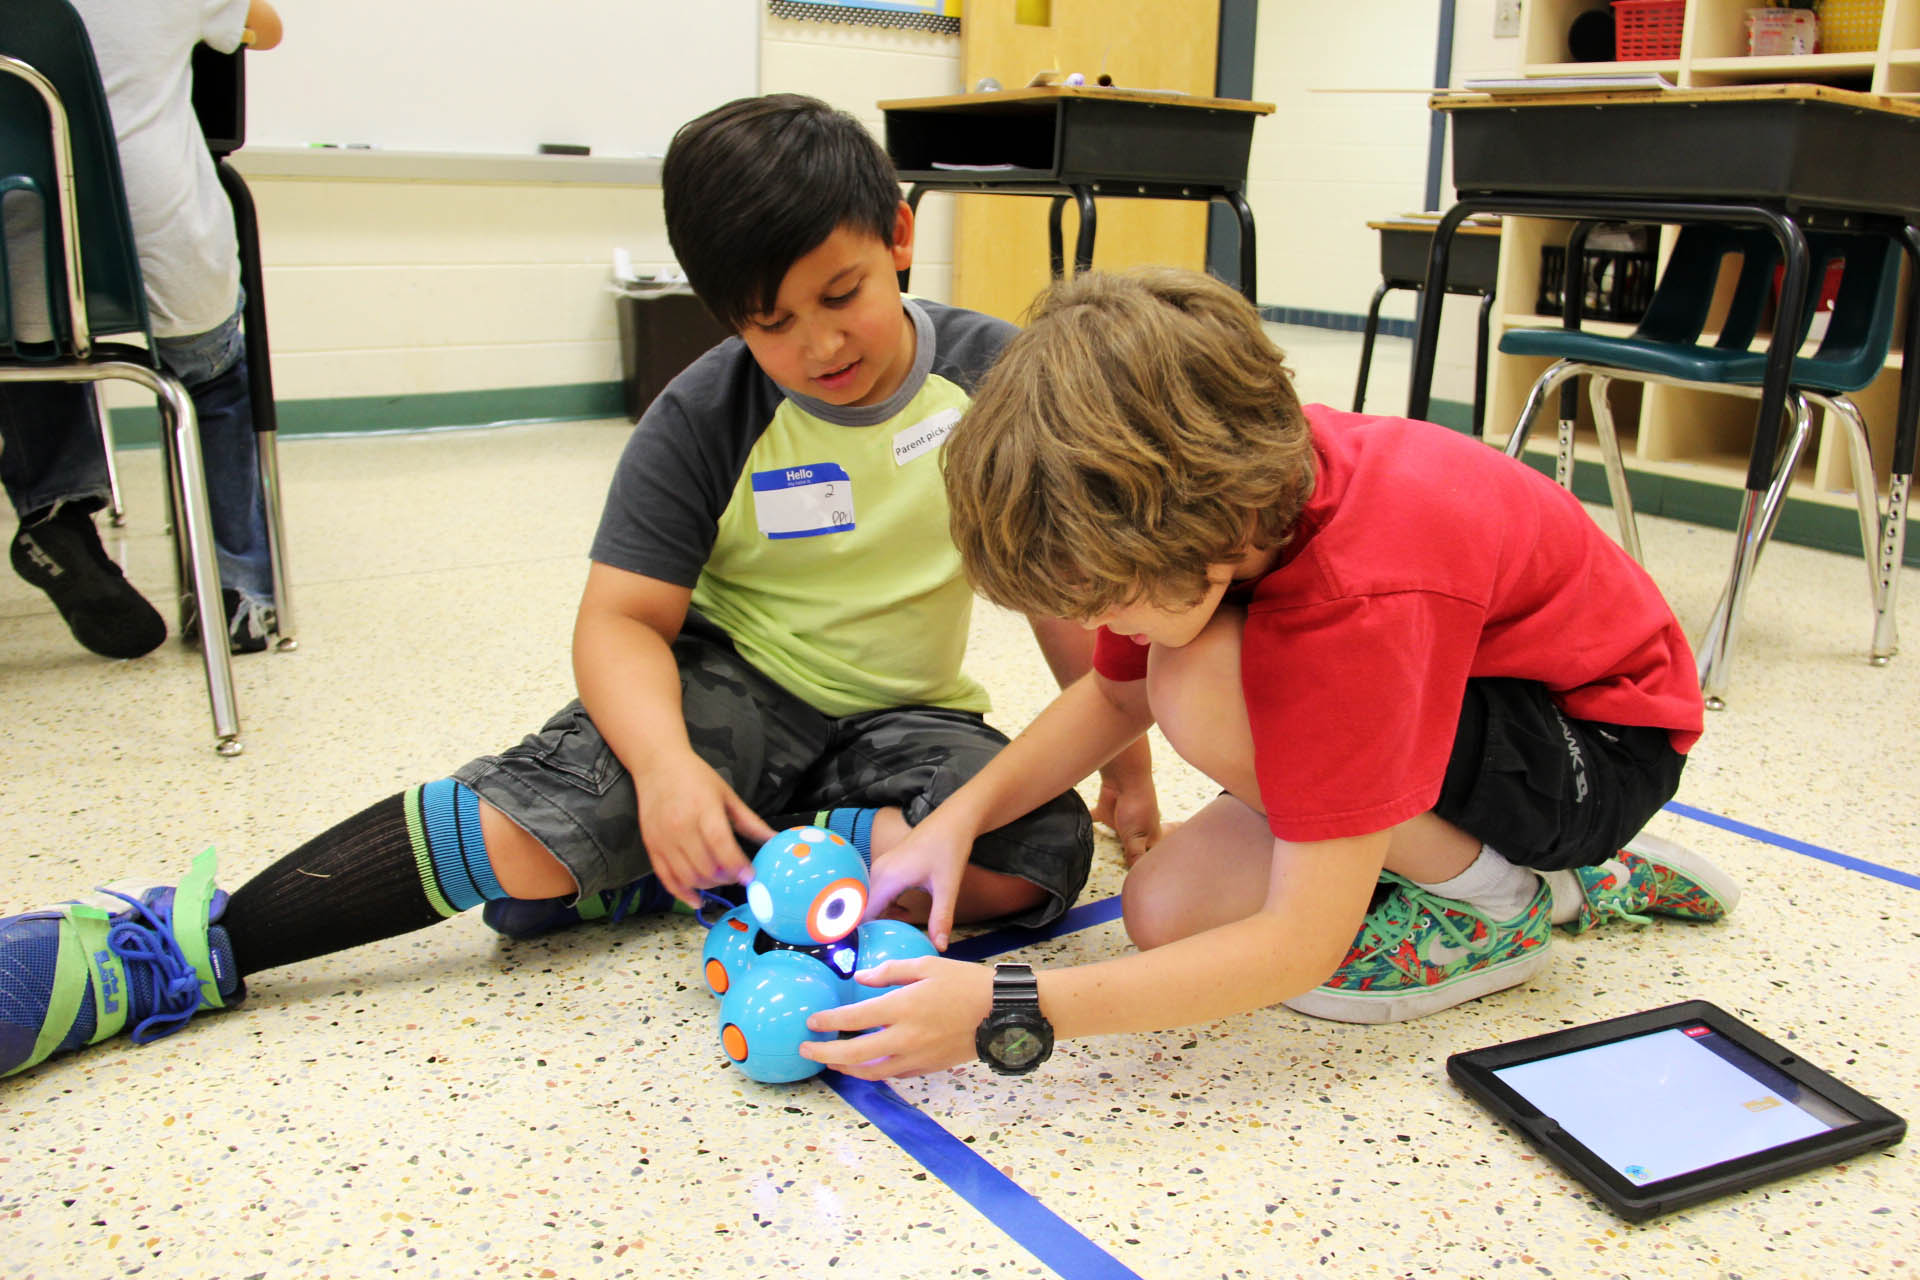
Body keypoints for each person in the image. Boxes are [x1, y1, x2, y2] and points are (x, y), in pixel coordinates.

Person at [0, 93, 1165, 1079]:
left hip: (907, 715)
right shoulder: (706, 413)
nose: (817, 343)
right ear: (723, 317)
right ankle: (183, 944)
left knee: (1031, 859)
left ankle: (718, 864)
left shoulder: (993, 377)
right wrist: (662, 772)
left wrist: (1127, 768)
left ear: (900, 236)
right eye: (770, 322)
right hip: (731, 688)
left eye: (840, 292)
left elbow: (1070, 595)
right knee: (523, 833)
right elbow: (620, 619)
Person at [801, 267, 1741, 1081]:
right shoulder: (1214, 513)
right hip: (1463, 695)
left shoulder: (1358, 595)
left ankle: (1512, 901)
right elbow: (1111, 694)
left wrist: (1008, 1004)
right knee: (1165, 911)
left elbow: (1298, 945)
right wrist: (955, 820)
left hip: (1597, 748)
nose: (1091, 627)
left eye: (1105, 601)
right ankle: (1483, 865)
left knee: (1198, 682)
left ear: (1211, 536)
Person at [1, 0, 284, 658]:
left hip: (24, 250)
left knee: (27, 349)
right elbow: (266, 30)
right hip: (165, 250)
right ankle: (236, 589)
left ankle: (57, 509)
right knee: (213, 382)